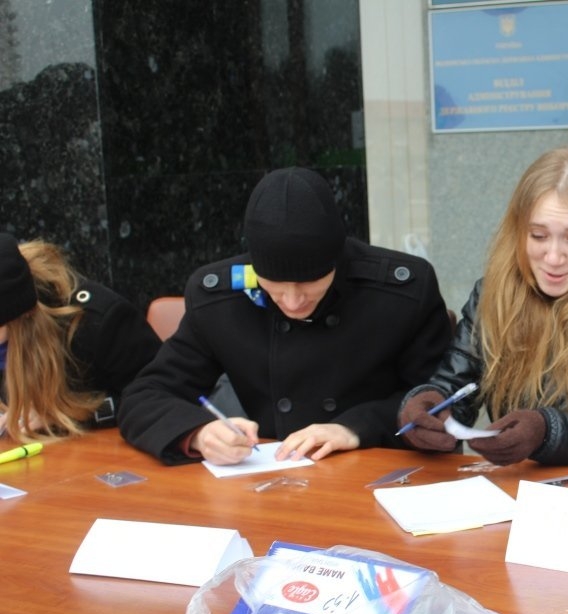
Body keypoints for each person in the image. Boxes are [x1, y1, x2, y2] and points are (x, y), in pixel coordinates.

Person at [118, 167, 453, 465]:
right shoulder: (220, 300)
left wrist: (355, 427)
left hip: (381, 471)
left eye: (310, 283)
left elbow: (440, 399)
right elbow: (145, 396)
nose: (292, 302)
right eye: (275, 286)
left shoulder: (401, 292)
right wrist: (199, 433)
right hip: (273, 476)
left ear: (336, 262)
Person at [397, 147, 568, 467]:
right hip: (514, 484)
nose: (553, 258)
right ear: (518, 231)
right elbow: (455, 385)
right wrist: (428, 407)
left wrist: (550, 434)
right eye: (538, 236)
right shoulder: (494, 294)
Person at [0, 234, 161, 442]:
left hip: (106, 450)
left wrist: (63, 415)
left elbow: (159, 395)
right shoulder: (10, 318)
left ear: (19, 318)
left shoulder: (96, 322)